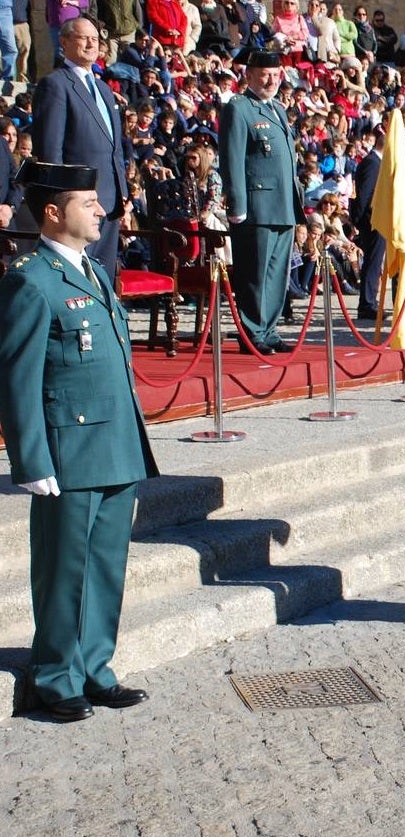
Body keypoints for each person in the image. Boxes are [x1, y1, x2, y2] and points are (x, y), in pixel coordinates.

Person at [0, 161, 159, 722]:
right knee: (63, 568)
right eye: (87, 202)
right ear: (52, 211)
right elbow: (18, 378)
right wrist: (31, 458)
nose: (100, 210)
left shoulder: (91, 268)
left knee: (106, 566)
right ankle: (54, 675)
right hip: (68, 453)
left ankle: (96, 669)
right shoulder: (30, 278)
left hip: (114, 442)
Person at [219, 50, 306, 355]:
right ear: (250, 75)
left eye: (275, 74)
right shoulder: (239, 108)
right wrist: (237, 205)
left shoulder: (277, 109)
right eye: (265, 74)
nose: (271, 80)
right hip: (256, 207)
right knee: (253, 275)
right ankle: (251, 331)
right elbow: (232, 159)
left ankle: (268, 330)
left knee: (275, 274)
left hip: (282, 205)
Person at [33, 18, 129, 277]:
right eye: (83, 37)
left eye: (95, 39)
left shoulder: (104, 90)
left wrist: (122, 190)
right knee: (76, 278)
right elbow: (51, 153)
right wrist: (64, 200)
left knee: (103, 277)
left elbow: (114, 148)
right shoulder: (55, 84)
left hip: (109, 201)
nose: (91, 44)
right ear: (63, 42)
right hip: (77, 204)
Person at [350, 124, 385, 321]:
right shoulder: (373, 163)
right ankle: (367, 304)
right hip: (372, 220)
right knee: (372, 262)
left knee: (374, 262)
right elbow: (364, 195)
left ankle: (370, 301)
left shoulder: (374, 162)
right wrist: (360, 220)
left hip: (374, 219)